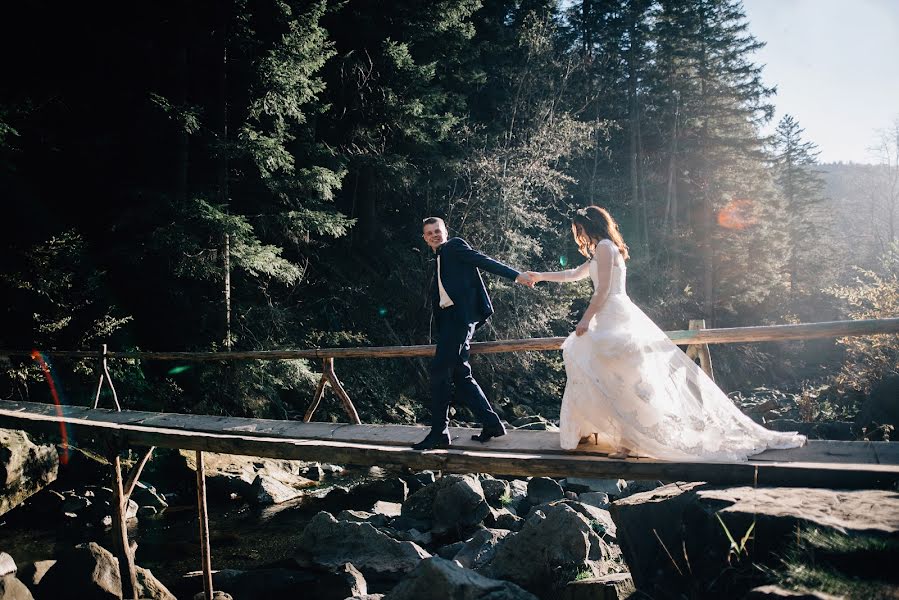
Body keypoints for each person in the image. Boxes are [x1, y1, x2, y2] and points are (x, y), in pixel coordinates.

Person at [524, 206, 806, 461]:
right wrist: (539, 275)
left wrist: (585, 320)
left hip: (614, 316)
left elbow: (602, 291)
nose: (579, 235)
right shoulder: (603, 248)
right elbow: (573, 274)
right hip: (610, 316)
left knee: (623, 378)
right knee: (613, 376)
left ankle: (627, 442)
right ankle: (613, 436)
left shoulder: (606, 249)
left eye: (580, 229)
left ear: (590, 226)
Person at [413, 217, 534, 450]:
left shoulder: (455, 246)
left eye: (437, 231)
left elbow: (483, 261)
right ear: (425, 239)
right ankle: (491, 424)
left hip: (460, 319)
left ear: (445, 231)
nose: (434, 235)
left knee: (439, 371)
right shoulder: (438, 257)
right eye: (429, 233)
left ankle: (439, 432)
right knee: (460, 375)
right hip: (450, 321)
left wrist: (516, 275)